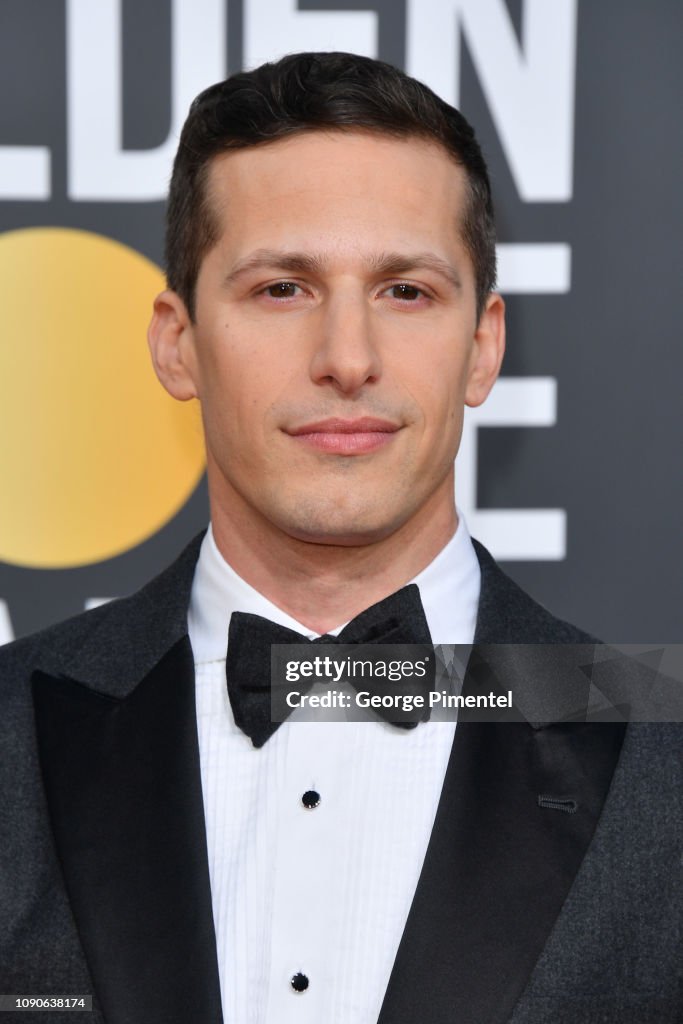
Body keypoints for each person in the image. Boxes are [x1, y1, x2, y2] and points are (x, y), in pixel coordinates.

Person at [0, 52, 680, 1024]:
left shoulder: (663, 757)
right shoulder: (11, 733)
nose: (347, 360)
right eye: (282, 288)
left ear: (482, 344)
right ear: (176, 341)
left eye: (405, 291)